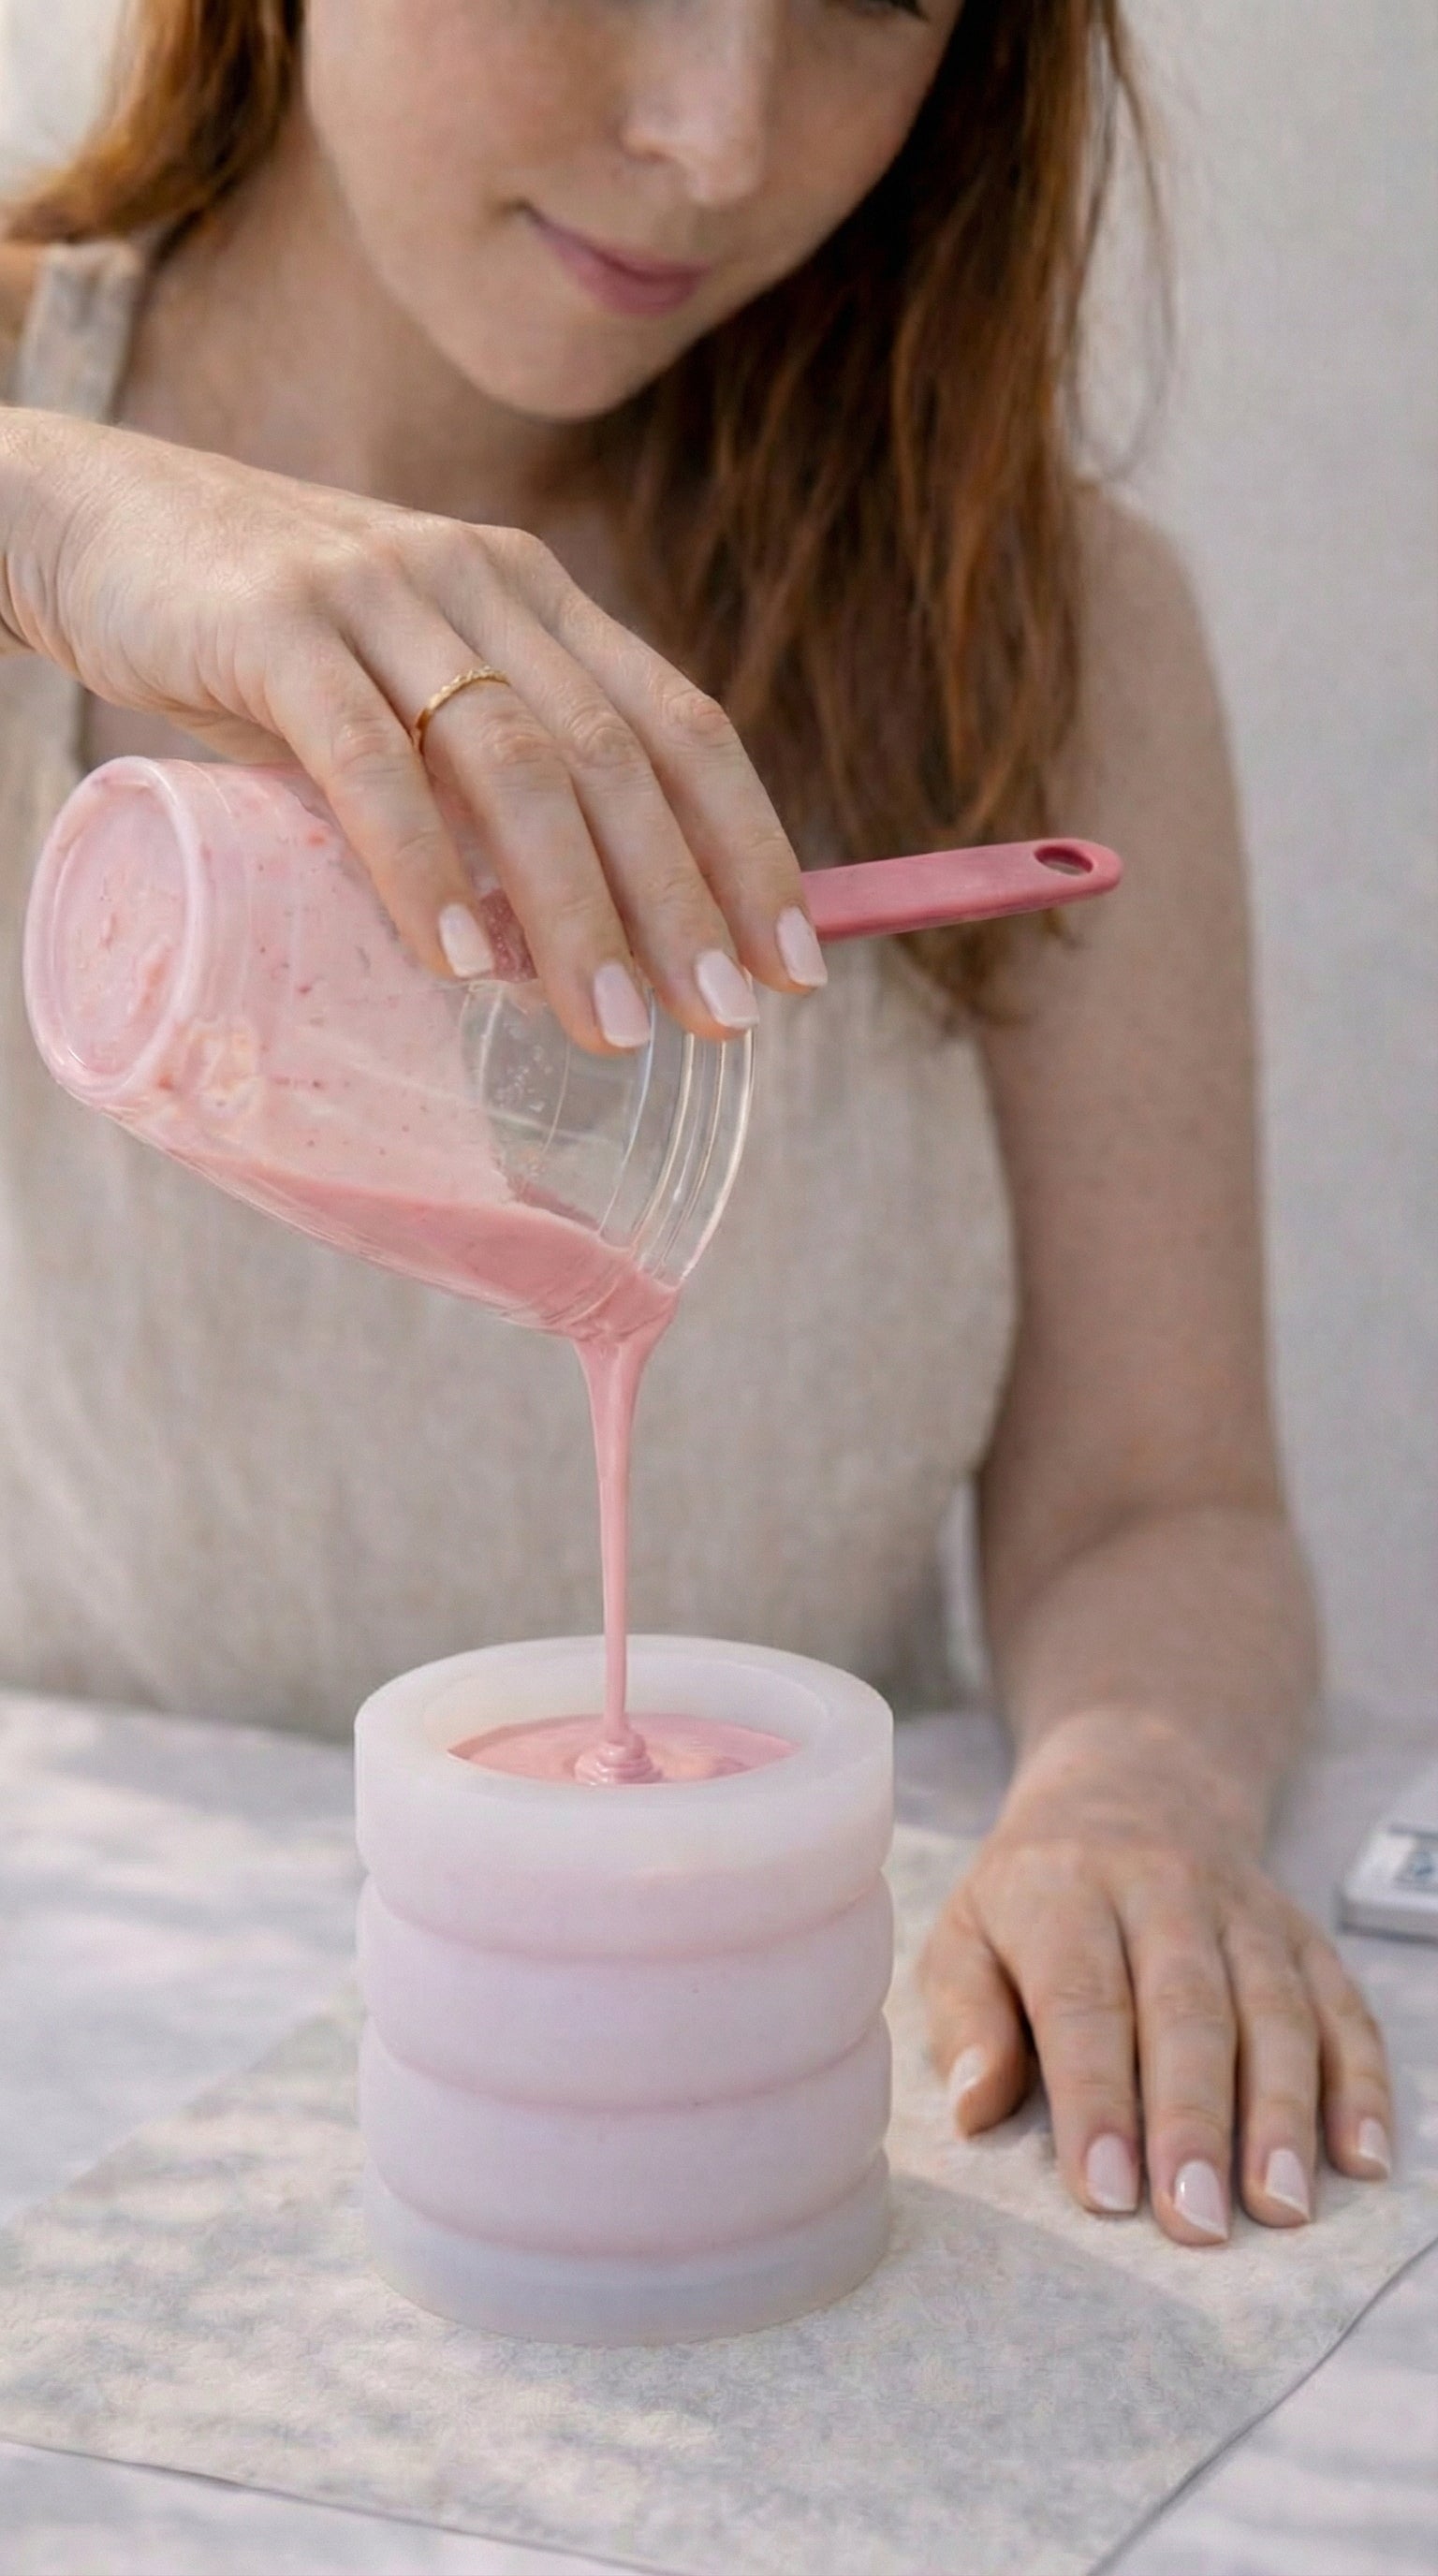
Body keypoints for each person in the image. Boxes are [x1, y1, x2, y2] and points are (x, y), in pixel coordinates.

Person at [0, 0, 1391, 2249]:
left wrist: (1130, 1798)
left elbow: (1158, 1500)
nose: (721, 137)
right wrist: (54, 513)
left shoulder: (1029, 626)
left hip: (758, 2089)